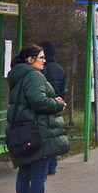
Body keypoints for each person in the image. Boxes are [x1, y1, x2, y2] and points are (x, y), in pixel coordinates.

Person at [6, 44, 69, 193]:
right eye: (40, 57)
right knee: (38, 177)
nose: (44, 61)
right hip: (37, 131)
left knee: (24, 174)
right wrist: (57, 104)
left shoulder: (18, 75)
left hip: (22, 130)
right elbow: (38, 101)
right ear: (29, 59)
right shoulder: (34, 75)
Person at [39, 41, 66, 175]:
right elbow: (62, 89)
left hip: (45, 106)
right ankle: (53, 165)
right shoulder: (60, 69)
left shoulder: (42, 69)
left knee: (44, 136)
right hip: (57, 105)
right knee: (54, 135)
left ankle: (46, 165)